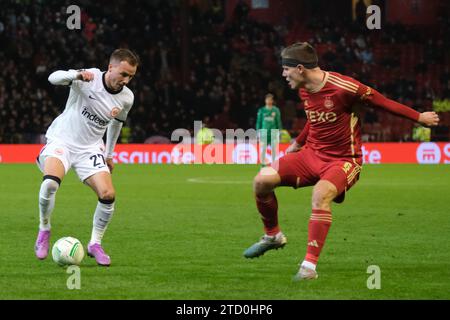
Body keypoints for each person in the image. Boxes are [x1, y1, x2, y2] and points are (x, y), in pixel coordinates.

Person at [243, 42, 439, 280]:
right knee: (261, 180)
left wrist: (418, 117)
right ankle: (273, 235)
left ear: (301, 68)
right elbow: (313, 119)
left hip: (344, 159)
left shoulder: (344, 87)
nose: (283, 75)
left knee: (320, 194)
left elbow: (382, 101)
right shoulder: (304, 89)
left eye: (286, 69)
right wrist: (297, 144)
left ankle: (308, 268)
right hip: (310, 155)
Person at [34, 49, 139, 266]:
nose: (126, 80)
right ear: (110, 67)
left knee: (108, 194)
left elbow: (116, 124)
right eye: (123, 73)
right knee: (51, 184)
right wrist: (75, 75)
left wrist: (109, 154)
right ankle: (44, 228)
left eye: (130, 76)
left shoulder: (127, 98)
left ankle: (95, 244)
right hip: (62, 140)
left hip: (90, 149)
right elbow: (52, 78)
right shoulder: (89, 77)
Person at [256, 93, 283, 166]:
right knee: (263, 149)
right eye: (267, 99)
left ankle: (274, 165)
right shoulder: (261, 110)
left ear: (272, 101)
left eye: (270, 99)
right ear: (265, 100)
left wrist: (279, 131)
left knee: (274, 150)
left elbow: (278, 121)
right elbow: (259, 122)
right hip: (264, 132)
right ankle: (263, 166)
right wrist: (258, 131)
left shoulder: (276, 110)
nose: (269, 100)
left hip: (273, 132)